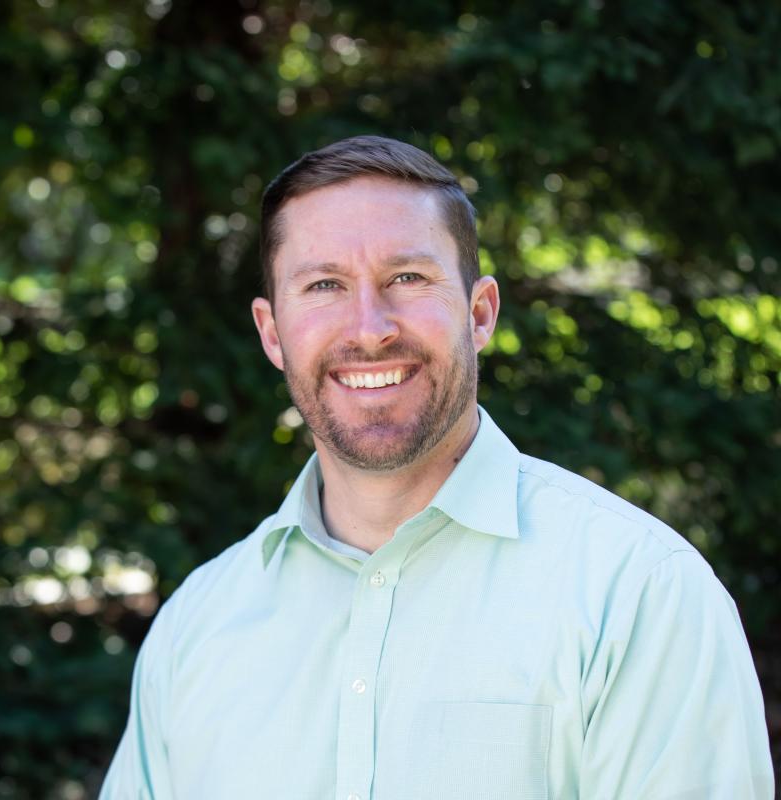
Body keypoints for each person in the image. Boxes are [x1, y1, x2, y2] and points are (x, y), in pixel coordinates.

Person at [100, 136, 774, 799]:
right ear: (273, 333)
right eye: (325, 284)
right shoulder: (197, 626)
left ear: (480, 314)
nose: (369, 329)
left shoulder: (638, 595)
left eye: (406, 278)